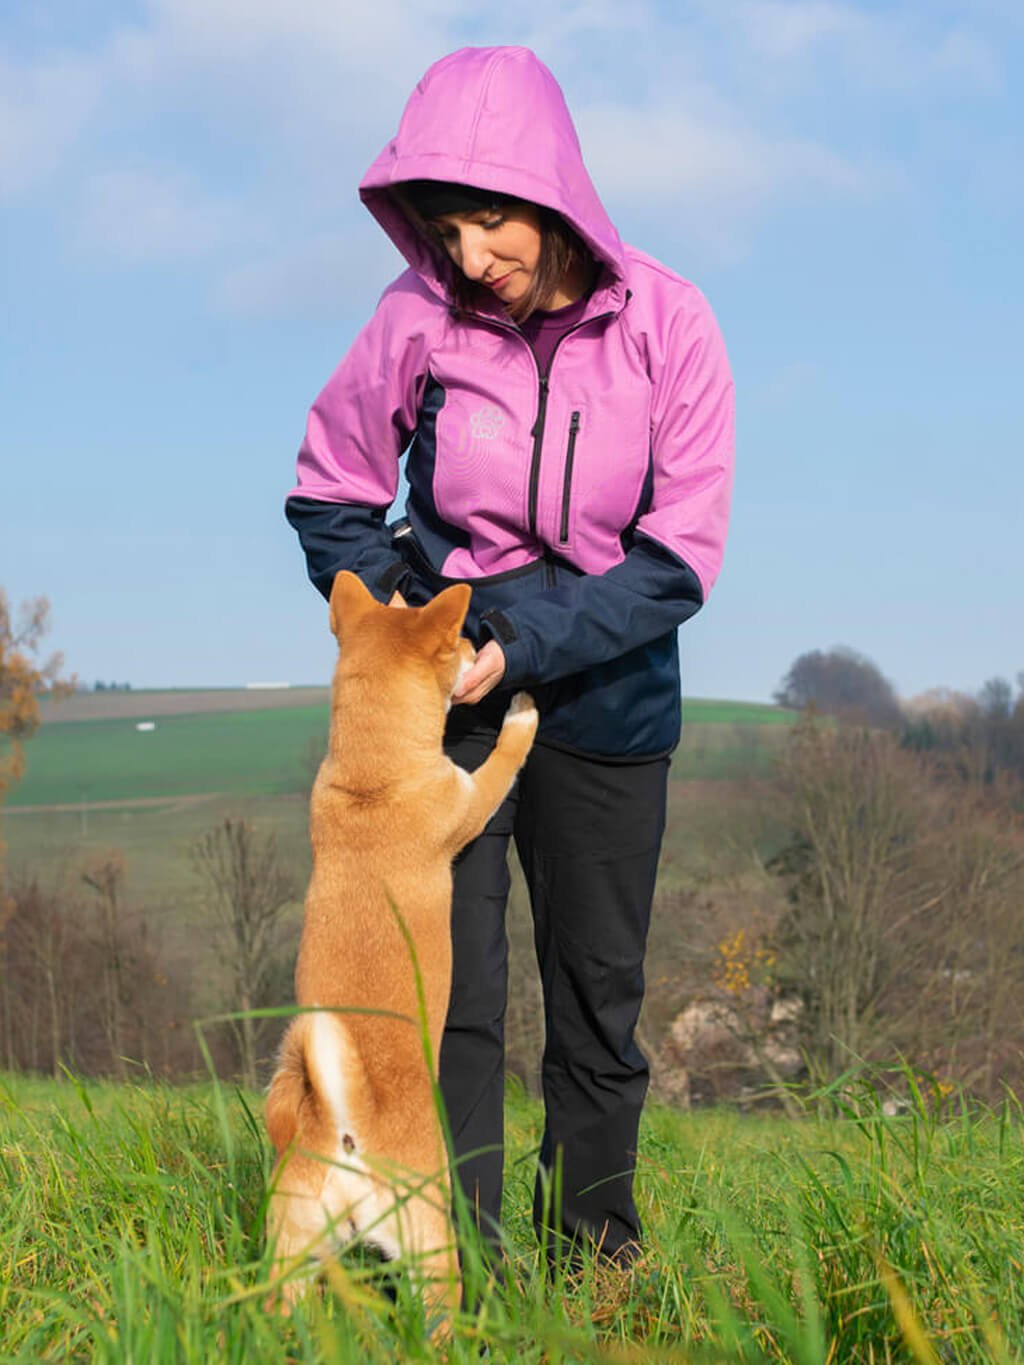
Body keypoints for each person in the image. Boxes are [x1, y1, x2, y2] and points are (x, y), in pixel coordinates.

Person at [286, 46, 734, 1270]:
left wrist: (520, 638)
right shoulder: (415, 317)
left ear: (552, 194)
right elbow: (330, 495)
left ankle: (595, 1264)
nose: (470, 256)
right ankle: (458, 1271)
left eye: (490, 219)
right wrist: (410, 628)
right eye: (446, 226)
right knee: (451, 1006)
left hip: (611, 698)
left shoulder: (670, 322)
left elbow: (675, 559)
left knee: (597, 1001)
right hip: (452, 715)